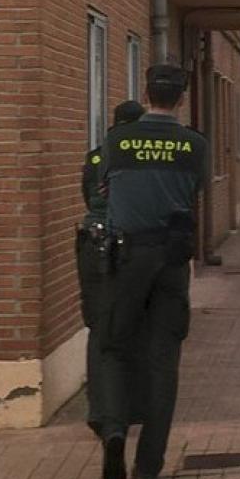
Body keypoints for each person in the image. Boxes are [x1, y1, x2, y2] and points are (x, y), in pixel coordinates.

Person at [92, 64, 209, 479]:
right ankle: (149, 466)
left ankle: (115, 429)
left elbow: (104, 187)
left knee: (114, 347)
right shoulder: (194, 144)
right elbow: (194, 189)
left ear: (146, 93)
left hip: (125, 257)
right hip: (171, 261)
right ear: (180, 98)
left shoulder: (117, 139)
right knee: (164, 360)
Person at [76, 100, 146, 438]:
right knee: (131, 326)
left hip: (92, 243)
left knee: (98, 327)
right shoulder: (137, 154)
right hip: (127, 245)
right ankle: (128, 405)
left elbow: (89, 200)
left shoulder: (94, 156)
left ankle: (99, 408)